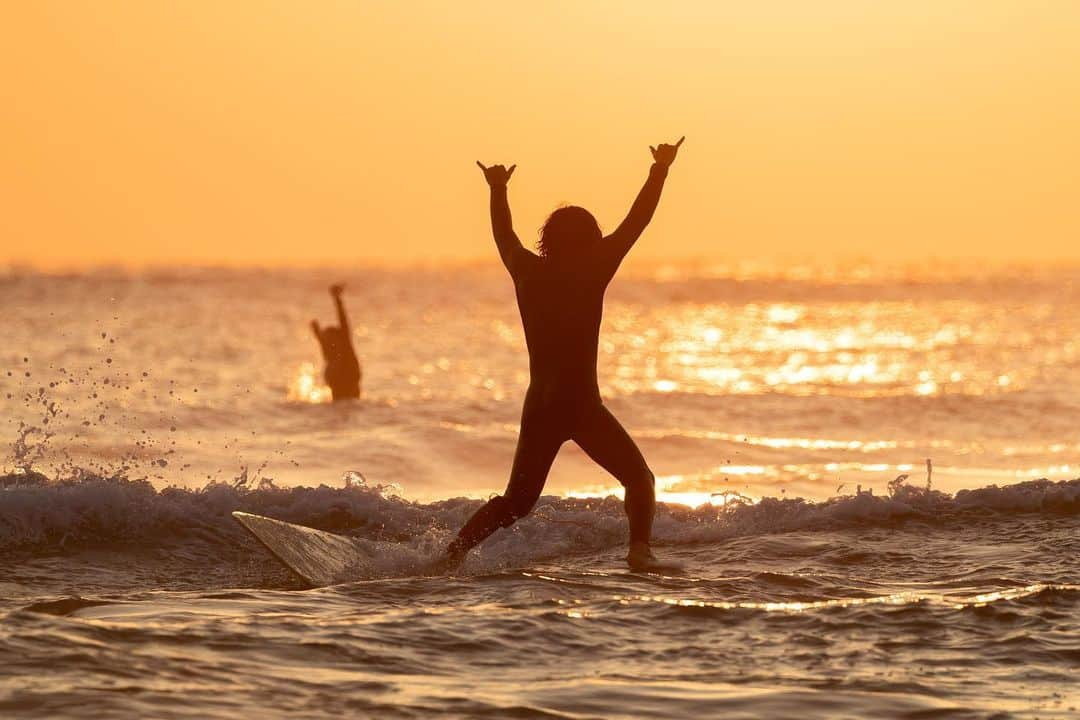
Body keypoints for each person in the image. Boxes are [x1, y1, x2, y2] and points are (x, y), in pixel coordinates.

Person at [439, 137, 685, 572]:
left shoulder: (526, 271)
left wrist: (498, 189)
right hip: (580, 406)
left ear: (548, 239)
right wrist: (660, 169)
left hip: (539, 407)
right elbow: (637, 221)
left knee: (516, 502)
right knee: (640, 479)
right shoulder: (595, 267)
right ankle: (640, 552)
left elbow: (504, 235)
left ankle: (451, 555)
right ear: (591, 240)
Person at [311, 283, 361, 401]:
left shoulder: (345, 349)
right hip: (340, 395)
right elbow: (322, 340)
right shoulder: (331, 352)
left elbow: (343, 322)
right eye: (327, 340)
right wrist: (317, 331)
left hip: (347, 392)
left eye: (330, 339)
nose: (328, 343)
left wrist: (337, 300)